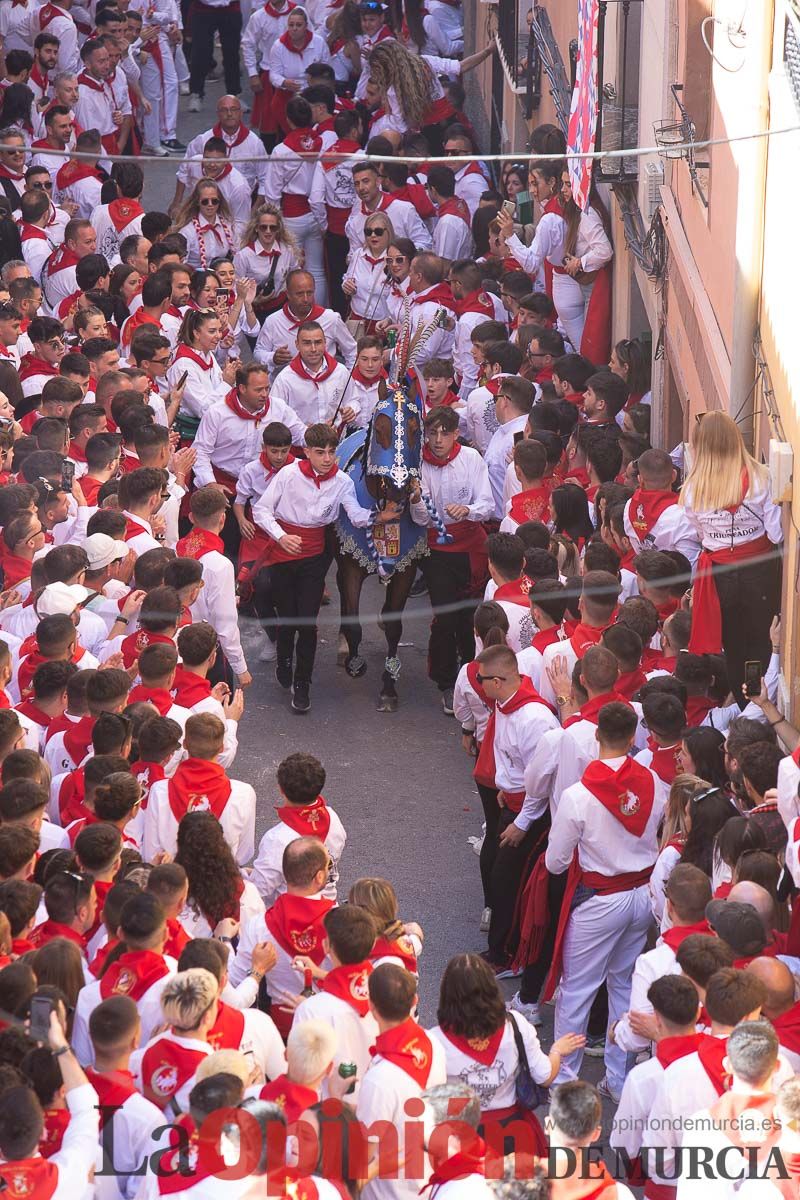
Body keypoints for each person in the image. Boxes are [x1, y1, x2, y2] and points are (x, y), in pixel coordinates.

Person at [545, 702, 667, 1101]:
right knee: (623, 986)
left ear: (596, 734)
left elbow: (556, 862)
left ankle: (564, 1081)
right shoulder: (652, 780)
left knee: (577, 990)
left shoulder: (578, 796)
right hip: (642, 897)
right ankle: (617, 1079)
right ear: (634, 738)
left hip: (600, 899)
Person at [253, 422, 401, 713]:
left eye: (332, 452)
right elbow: (261, 509)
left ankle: (303, 684)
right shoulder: (288, 473)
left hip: (314, 557)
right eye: (320, 452)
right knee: (288, 617)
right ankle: (284, 659)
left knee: (307, 623)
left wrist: (378, 516)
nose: (327, 458)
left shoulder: (343, 482)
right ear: (306, 451)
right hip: (284, 553)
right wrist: (281, 537)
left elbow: (355, 515)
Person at [430, 953, 580, 1157]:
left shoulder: (434, 1040)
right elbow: (544, 1076)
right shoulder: (516, 1025)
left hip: (460, 1139)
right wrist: (556, 1051)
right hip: (512, 1134)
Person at [679, 411, 782, 695]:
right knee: (763, 640)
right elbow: (776, 534)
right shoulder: (762, 478)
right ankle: (765, 699)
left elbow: (701, 535)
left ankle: (744, 701)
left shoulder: (692, 491)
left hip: (720, 576)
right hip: (760, 573)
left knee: (734, 645)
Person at [408, 405, 494, 714]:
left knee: (471, 617)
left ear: (457, 434)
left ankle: (471, 674)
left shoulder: (471, 459)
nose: (439, 440)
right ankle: (445, 682)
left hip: (471, 546)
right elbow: (421, 520)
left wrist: (468, 510)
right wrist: (417, 500)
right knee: (444, 616)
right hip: (437, 550)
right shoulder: (419, 465)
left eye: (446, 433)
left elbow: (487, 502)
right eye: (433, 433)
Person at [356, 963, 447, 1198]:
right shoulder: (433, 1044)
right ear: (415, 1000)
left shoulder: (380, 1080)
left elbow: (363, 1153)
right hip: (426, 1179)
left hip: (389, 1191)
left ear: (371, 1006)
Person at [251, 752, 346, 908]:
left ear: (281, 789)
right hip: (329, 911)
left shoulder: (277, 838)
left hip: (289, 917)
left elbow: (259, 890)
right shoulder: (332, 817)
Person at [262, 95, 328, 303]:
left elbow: (272, 192)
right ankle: (318, 314)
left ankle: (297, 314)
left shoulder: (281, 150)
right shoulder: (322, 143)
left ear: (288, 120)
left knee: (291, 270)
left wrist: (272, 224)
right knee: (316, 270)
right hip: (316, 213)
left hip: (291, 217)